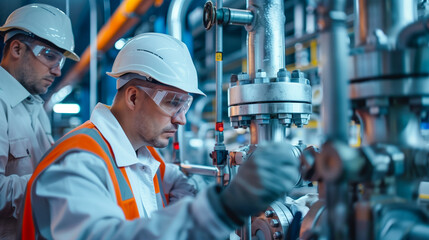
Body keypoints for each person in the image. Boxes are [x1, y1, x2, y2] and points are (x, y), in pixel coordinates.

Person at [20, 33, 300, 239]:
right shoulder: (77, 164)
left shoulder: (145, 157)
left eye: (185, 105)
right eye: (173, 103)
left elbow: (180, 186)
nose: (181, 118)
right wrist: (222, 208)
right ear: (132, 97)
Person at [0, 3, 80, 239]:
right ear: (16, 49)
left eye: (61, 62)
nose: (57, 71)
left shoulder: (36, 108)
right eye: (50, 56)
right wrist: (57, 183)